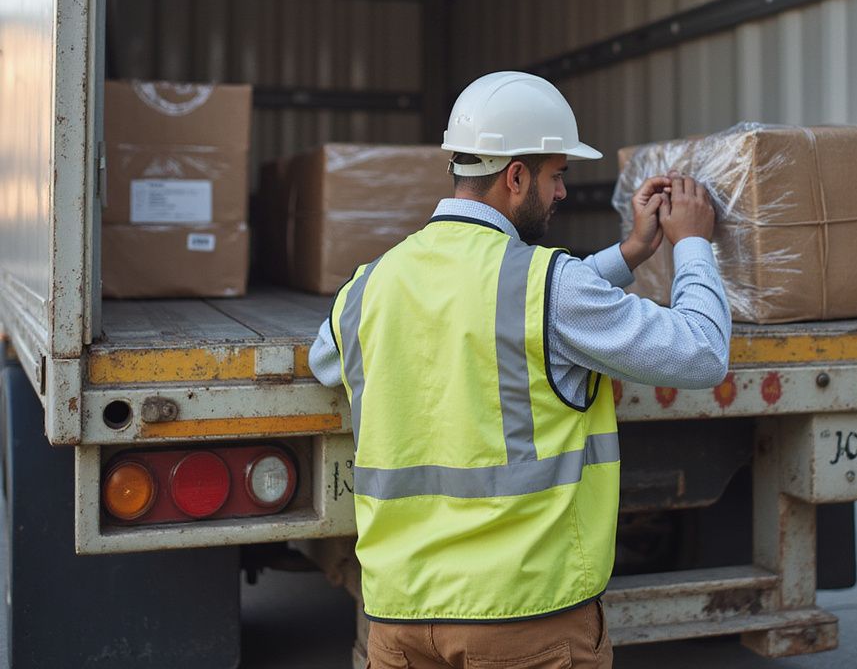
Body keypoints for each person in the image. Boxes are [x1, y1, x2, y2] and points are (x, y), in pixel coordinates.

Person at [308, 70, 731, 668]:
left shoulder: (371, 284)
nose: (561, 192)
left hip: (398, 620)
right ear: (515, 176)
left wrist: (630, 252)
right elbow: (702, 352)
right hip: (524, 621)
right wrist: (692, 243)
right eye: (557, 174)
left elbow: (324, 359)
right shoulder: (547, 284)